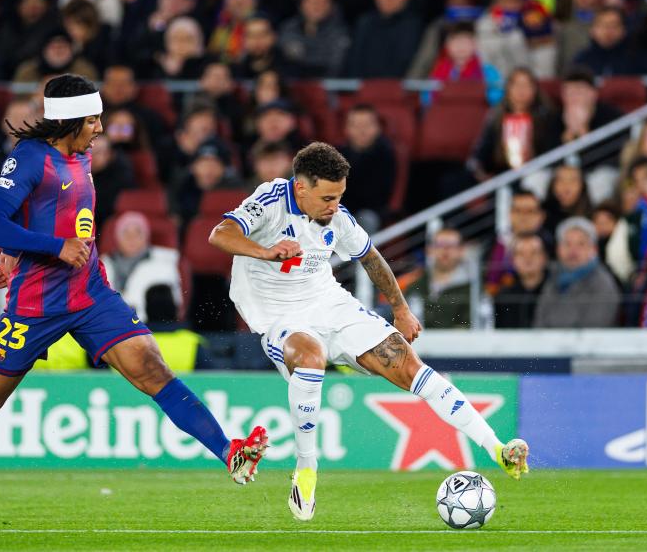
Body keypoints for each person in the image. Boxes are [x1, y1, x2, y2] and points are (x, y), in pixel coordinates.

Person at [0, 75, 269, 487]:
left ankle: (228, 451)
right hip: (35, 305)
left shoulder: (81, 155)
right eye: (92, 120)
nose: (100, 129)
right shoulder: (30, 157)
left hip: (90, 295)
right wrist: (54, 247)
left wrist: (14, 252)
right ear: (69, 122)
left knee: (152, 368)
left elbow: (41, 211)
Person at [209, 142, 528, 520]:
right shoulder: (270, 200)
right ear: (301, 188)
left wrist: (400, 309)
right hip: (279, 316)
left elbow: (370, 257)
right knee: (310, 359)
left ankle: (497, 449)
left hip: (330, 303)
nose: (334, 206)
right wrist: (266, 251)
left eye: (340, 196)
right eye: (327, 198)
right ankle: (306, 467)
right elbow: (220, 234)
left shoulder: (337, 218)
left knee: (409, 364)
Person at [535, 217, 621, 328]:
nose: (573, 251)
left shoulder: (602, 284)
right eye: (567, 244)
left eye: (581, 244)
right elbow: (540, 320)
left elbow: (596, 327)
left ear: (593, 249)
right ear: (558, 249)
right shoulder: (552, 277)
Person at [102, 211, 184, 324]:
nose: (131, 238)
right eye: (126, 233)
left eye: (137, 233)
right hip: (109, 327)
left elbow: (170, 306)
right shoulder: (102, 264)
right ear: (117, 237)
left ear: (146, 236)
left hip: (152, 327)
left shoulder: (164, 263)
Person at [336, 104, 395, 232]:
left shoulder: (386, 154)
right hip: (337, 211)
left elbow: (377, 196)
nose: (362, 131)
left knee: (366, 220)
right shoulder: (337, 154)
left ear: (378, 128)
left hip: (370, 212)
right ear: (346, 129)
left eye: (367, 125)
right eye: (356, 125)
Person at [401, 227, 475, 329]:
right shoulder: (415, 286)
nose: (445, 250)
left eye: (451, 245)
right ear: (429, 250)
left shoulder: (473, 289)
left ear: (461, 250)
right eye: (440, 245)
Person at [491, 233, 549, 328]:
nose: (528, 259)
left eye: (534, 253)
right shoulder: (503, 297)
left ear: (544, 257)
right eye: (521, 254)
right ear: (512, 260)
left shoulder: (558, 292)